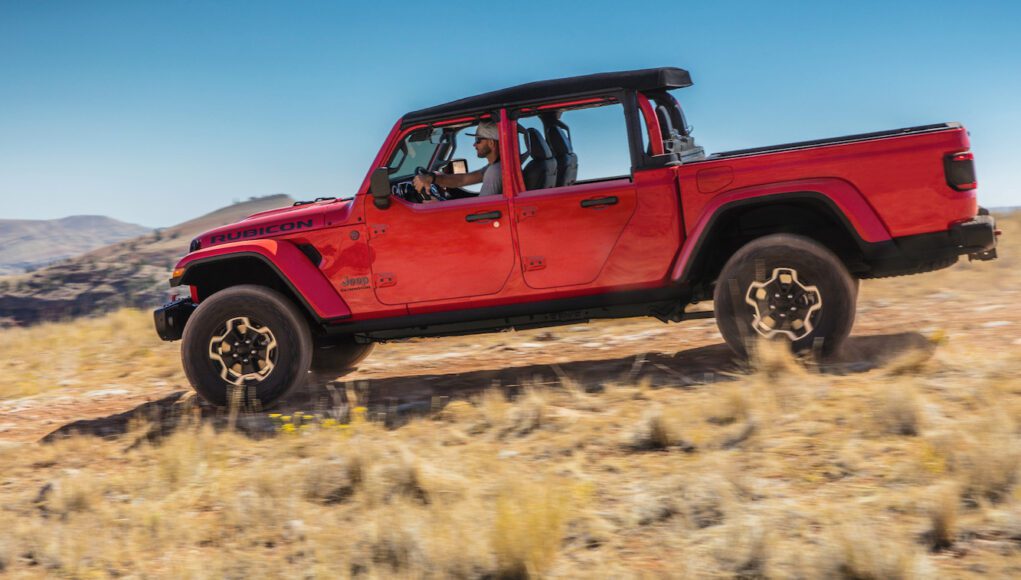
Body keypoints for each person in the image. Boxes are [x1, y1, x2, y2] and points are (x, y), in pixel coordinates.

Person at [412, 121, 501, 198]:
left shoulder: (494, 171)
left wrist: (438, 205)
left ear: (491, 143)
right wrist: (432, 178)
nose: (474, 145)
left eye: (478, 140)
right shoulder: (493, 167)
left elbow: (482, 209)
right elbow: (462, 179)